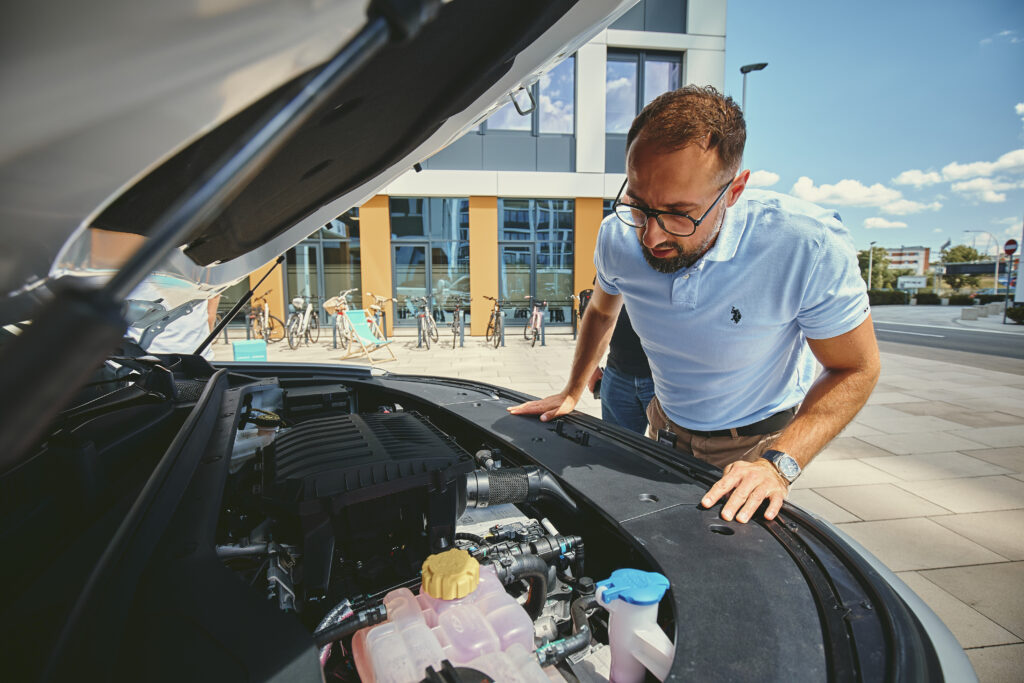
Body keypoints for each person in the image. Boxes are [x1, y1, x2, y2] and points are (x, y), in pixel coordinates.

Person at [509, 85, 879, 525]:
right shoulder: (617, 235)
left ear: (734, 190)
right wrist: (572, 389)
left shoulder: (805, 243)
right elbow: (602, 310)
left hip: (754, 448)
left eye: (680, 213)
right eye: (640, 206)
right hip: (662, 430)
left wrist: (779, 465)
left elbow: (856, 368)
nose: (651, 236)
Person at [588, 306, 654, 435]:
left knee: (671, 452)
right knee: (617, 447)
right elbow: (597, 308)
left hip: (666, 379)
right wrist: (591, 365)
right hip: (617, 374)